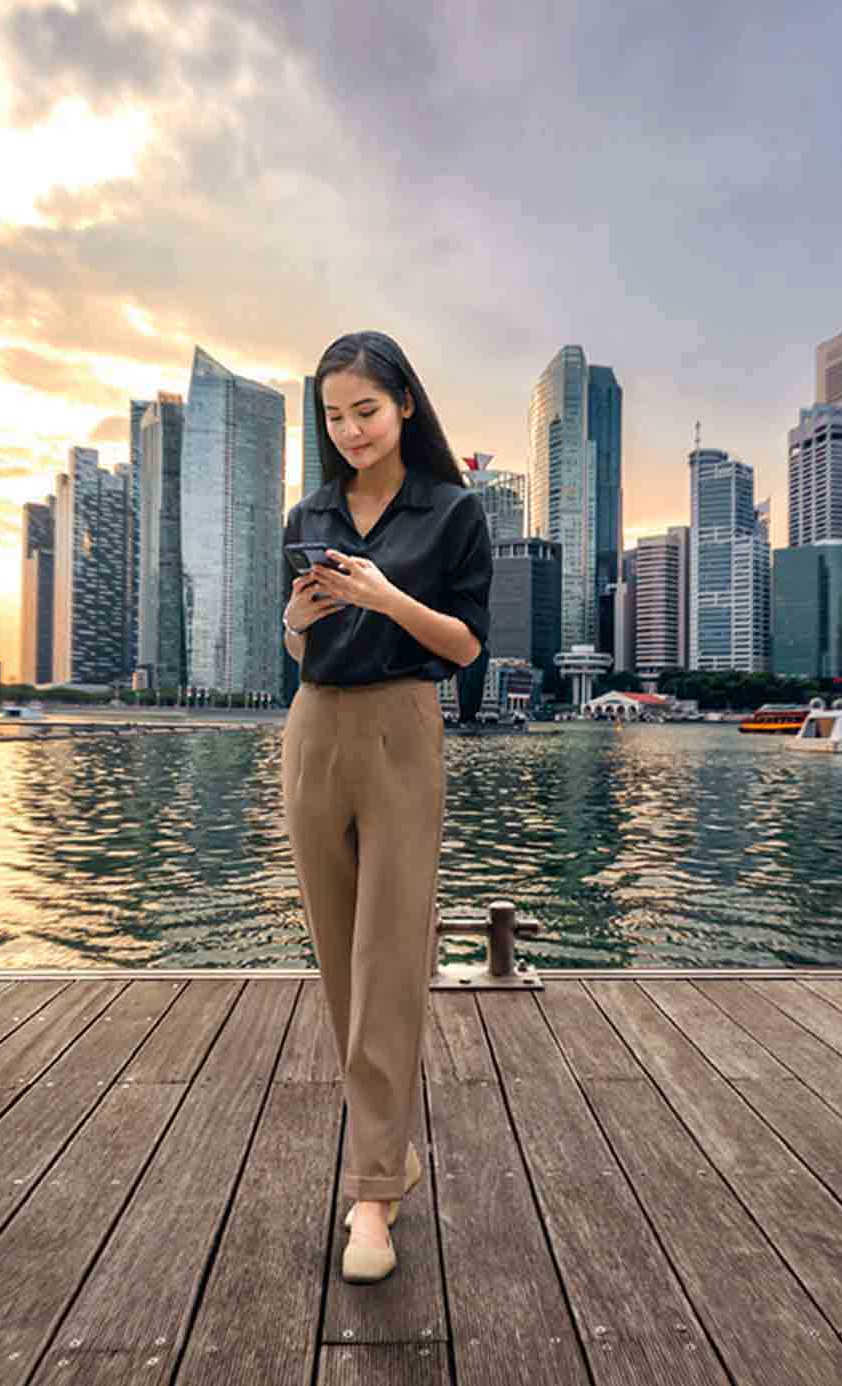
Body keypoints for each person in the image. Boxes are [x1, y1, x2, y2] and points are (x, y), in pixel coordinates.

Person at [281, 330, 492, 1285]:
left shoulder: (452, 514)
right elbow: (295, 649)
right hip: (313, 730)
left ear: (405, 403)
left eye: (366, 409)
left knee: (390, 956)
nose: (350, 430)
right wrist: (299, 619)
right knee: (337, 956)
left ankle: (373, 1196)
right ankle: (387, 1152)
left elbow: (465, 648)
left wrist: (384, 594)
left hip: (403, 730)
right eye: (334, 415)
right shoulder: (310, 510)